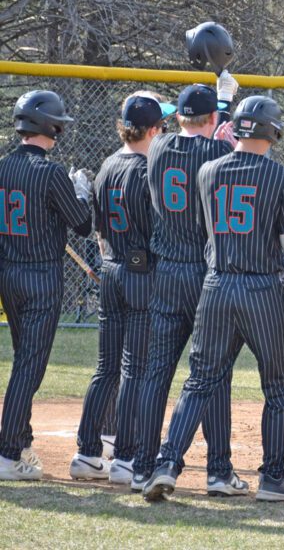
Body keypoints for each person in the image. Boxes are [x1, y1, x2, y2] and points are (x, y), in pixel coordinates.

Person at [142, 95, 284, 504]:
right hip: (259, 288)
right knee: (277, 384)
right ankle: (274, 476)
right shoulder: (280, 176)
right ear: (273, 131)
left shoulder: (209, 170)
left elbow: (206, 229)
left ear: (235, 127)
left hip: (216, 286)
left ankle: (166, 465)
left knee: (199, 380)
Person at [131, 73, 248, 496]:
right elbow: (227, 144)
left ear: (178, 116)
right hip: (203, 270)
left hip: (166, 272)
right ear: (212, 117)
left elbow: (200, 133)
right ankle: (218, 471)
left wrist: (217, 104)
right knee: (212, 374)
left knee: (156, 372)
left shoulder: (158, 146)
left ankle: (143, 466)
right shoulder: (217, 149)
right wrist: (226, 103)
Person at [70, 92, 176, 482]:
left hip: (112, 268)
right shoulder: (150, 169)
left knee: (105, 368)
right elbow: (158, 231)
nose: (164, 130)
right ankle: (127, 455)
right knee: (135, 368)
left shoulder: (107, 165)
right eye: (161, 125)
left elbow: (97, 229)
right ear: (152, 129)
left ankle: (87, 450)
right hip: (140, 273)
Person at [0, 90, 91, 480]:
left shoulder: (2, 166)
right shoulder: (52, 173)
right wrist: (81, 191)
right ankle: (8, 453)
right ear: (48, 125)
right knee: (29, 366)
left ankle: (20, 441)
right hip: (41, 277)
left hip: (8, 272)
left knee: (25, 360)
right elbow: (83, 225)